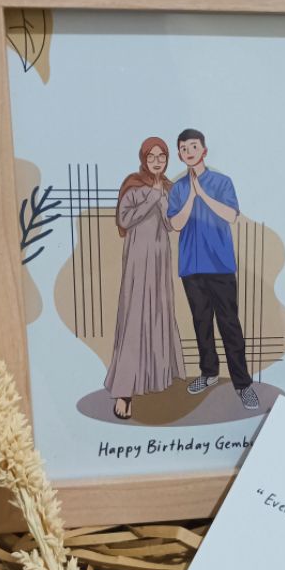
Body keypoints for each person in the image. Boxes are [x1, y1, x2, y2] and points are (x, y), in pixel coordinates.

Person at [167, 128, 259, 410]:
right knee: (201, 323)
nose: (188, 151)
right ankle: (209, 373)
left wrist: (203, 195)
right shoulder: (178, 188)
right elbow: (176, 224)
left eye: (193, 146)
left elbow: (231, 215)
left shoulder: (221, 182)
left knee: (229, 324)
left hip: (220, 265)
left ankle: (243, 385)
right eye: (183, 148)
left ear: (204, 150)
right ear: (180, 154)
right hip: (191, 267)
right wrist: (191, 197)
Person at [104, 136, 185, 419]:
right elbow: (124, 220)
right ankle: (124, 392)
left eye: (162, 156)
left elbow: (171, 225)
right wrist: (151, 197)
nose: (157, 161)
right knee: (135, 318)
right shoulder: (133, 185)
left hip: (160, 261)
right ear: (143, 158)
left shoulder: (169, 188)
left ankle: (154, 382)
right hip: (138, 261)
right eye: (152, 156)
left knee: (158, 315)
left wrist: (166, 201)